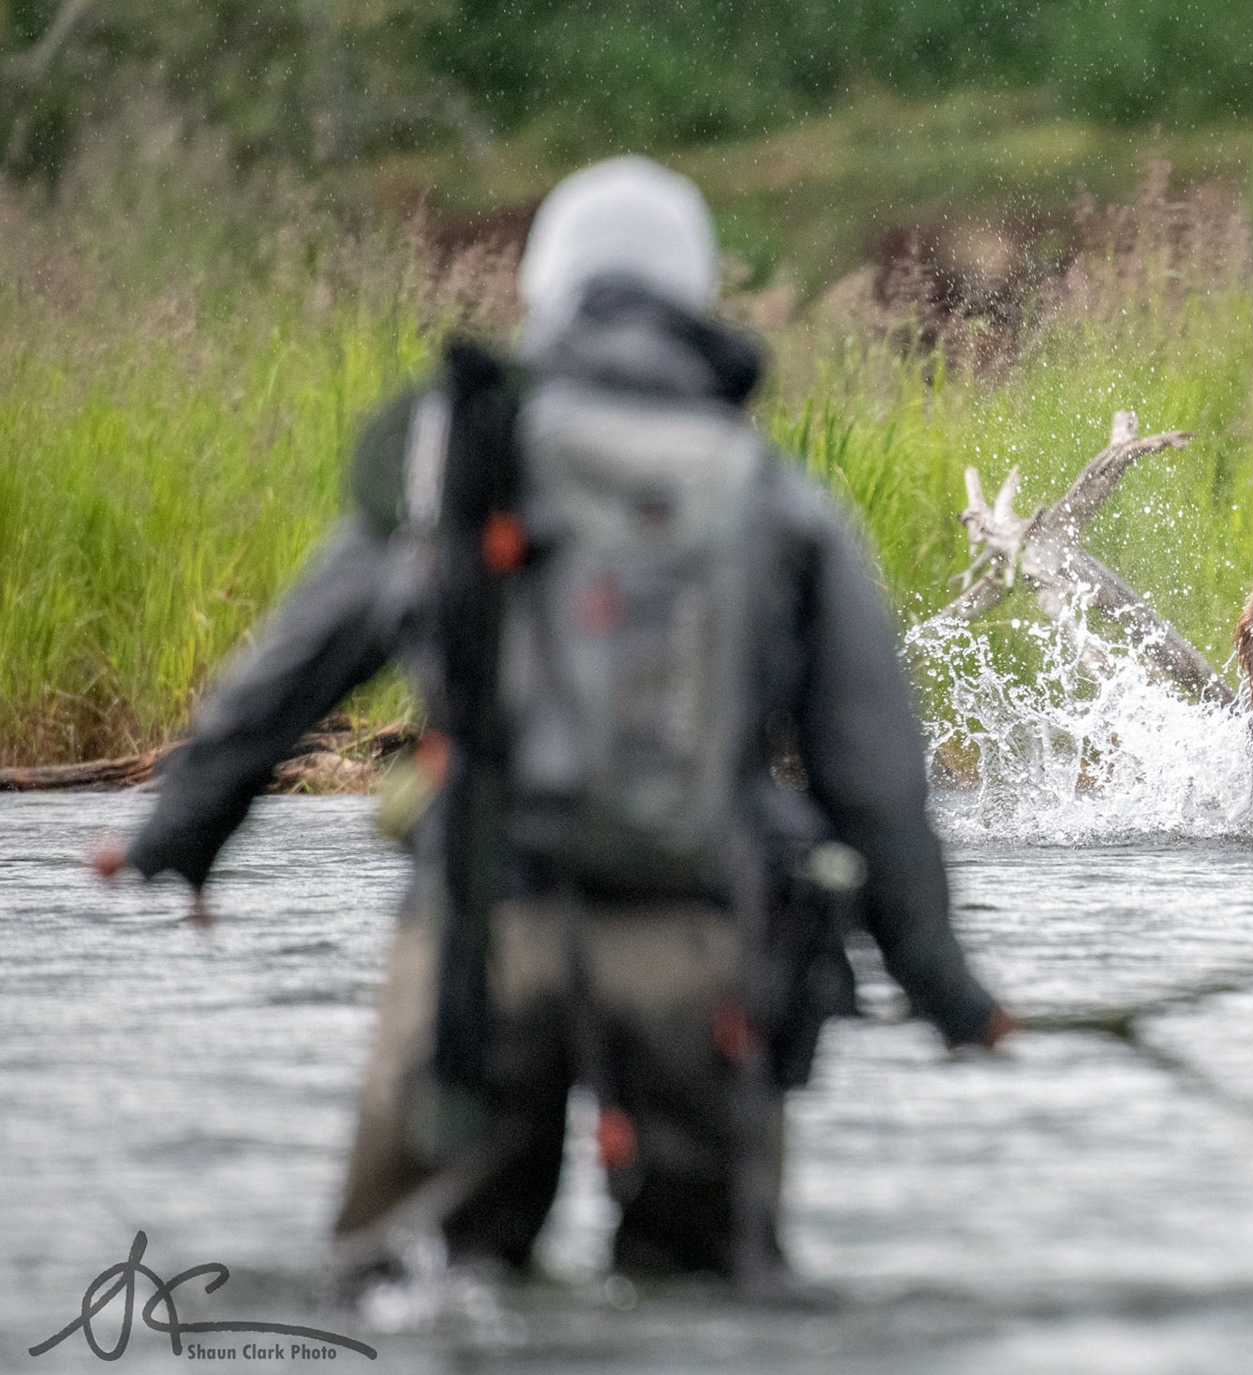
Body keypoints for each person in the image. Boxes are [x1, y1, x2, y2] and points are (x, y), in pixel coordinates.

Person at [93, 157, 1014, 1291]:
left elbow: (292, 667)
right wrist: (946, 991)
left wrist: (176, 836)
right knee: (708, 1302)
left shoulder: (463, 453)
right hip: (698, 956)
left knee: (411, 1288)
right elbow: (876, 778)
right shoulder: (774, 495)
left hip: (483, 945)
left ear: (546, 290)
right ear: (694, 300)